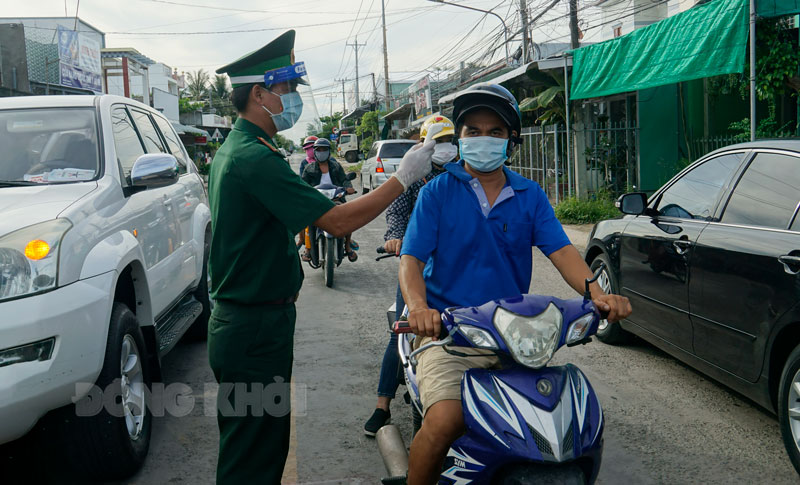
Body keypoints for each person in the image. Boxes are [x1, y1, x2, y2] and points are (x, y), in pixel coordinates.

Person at [207, 29, 438, 484]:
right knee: (251, 454)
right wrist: (403, 178)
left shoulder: (245, 149)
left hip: (253, 324)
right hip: (252, 328)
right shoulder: (252, 157)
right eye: (287, 89)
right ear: (260, 94)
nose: (292, 100)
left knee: (259, 444)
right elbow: (336, 222)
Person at [398, 83, 633, 484]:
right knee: (443, 422)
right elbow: (411, 260)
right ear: (460, 138)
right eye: (472, 131)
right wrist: (420, 309)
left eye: (495, 131)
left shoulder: (530, 194)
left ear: (512, 140)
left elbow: (561, 252)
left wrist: (597, 294)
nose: (483, 139)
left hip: (512, 334)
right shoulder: (437, 192)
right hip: (450, 337)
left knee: (556, 423)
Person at [363, 114, 459, 436]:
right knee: (401, 332)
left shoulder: (467, 175)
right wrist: (395, 237)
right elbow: (397, 211)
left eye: (449, 141)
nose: (444, 148)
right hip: (416, 265)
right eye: (437, 142)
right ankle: (382, 406)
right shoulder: (417, 174)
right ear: (424, 144)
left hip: (457, 268)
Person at [301, 138, 359, 262]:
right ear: (315, 152)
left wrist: (349, 187)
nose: (322, 152)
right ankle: (307, 248)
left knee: (347, 218)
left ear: (329, 152)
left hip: (335, 199)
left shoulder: (336, 166)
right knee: (307, 220)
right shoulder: (309, 168)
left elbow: (344, 179)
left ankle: (347, 246)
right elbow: (303, 184)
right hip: (316, 201)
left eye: (324, 150)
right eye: (319, 150)